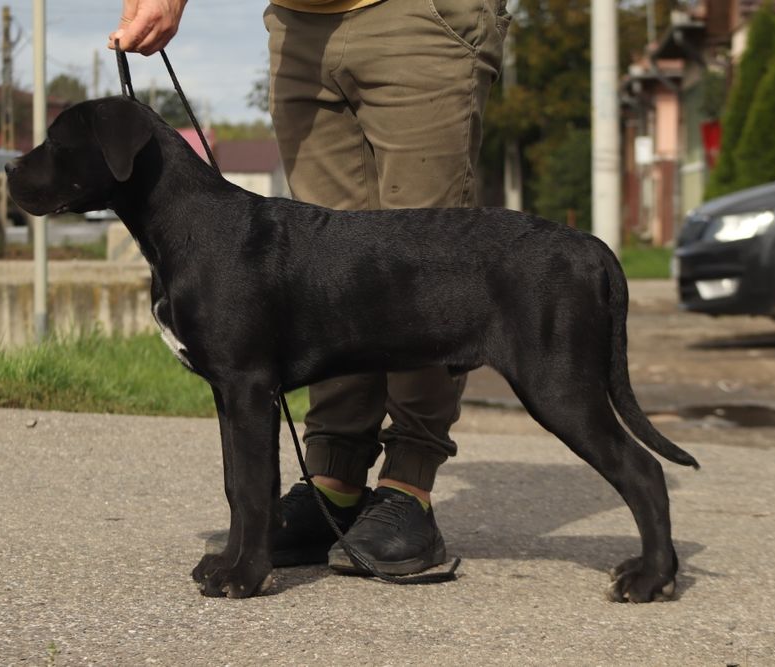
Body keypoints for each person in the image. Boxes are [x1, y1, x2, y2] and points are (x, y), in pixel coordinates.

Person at [113, 0, 509, 576]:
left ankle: (408, 486)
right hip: (301, 23)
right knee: (324, 274)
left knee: (421, 268)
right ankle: (335, 479)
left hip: (419, 13)